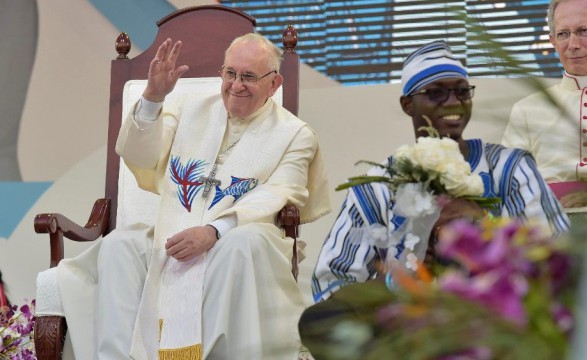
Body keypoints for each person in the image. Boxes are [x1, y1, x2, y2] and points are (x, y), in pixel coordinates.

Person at [52, 33, 331, 359]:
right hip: (174, 235)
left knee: (244, 243)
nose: (236, 85)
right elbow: (139, 156)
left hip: (237, 239)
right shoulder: (190, 109)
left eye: (249, 76)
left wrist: (215, 231)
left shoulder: (296, 134)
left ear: (274, 83)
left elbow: (280, 193)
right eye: (230, 73)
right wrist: (154, 97)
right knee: (118, 245)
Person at [300, 40, 570, 359]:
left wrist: (484, 229)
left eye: (461, 91)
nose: (453, 101)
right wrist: (394, 283)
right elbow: (334, 277)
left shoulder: (508, 169)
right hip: (405, 327)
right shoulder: (376, 187)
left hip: (497, 317)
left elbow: (558, 258)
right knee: (319, 320)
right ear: (407, 104)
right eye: (436, 93)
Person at [502, 0, 587, 208]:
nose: (573, 45)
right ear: (553, 42)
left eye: (583, 30)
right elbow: (508, 181)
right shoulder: (527, 110)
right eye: (563, 34)